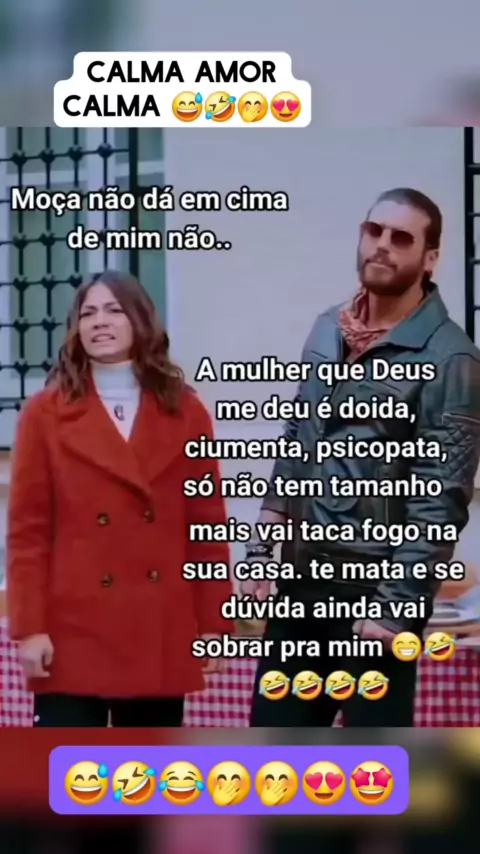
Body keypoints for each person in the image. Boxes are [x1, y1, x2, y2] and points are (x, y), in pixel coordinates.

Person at [246, 188, 480, 727]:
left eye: (401, 238)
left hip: (376, 599)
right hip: (301, 588)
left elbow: (441, 498)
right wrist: (261, 547)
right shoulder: (327, 328)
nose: (382, 245)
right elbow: (297, 442)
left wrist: (396, 609)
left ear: (429, 258)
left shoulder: (451, 357)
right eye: (374, 231)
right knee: (272, 756)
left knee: (371, 768)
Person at [6, 270, 233, 727]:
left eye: (113, 310)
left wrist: (214, 625)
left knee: (148, 770)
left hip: (157, 624)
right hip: (71, 630)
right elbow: (27, 534)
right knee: (65, 768)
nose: (99, 321)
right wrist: (29, 629)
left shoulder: (186, 411)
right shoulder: (43, 413)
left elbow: (206, 526)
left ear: (139, 320)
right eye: (88, 313)